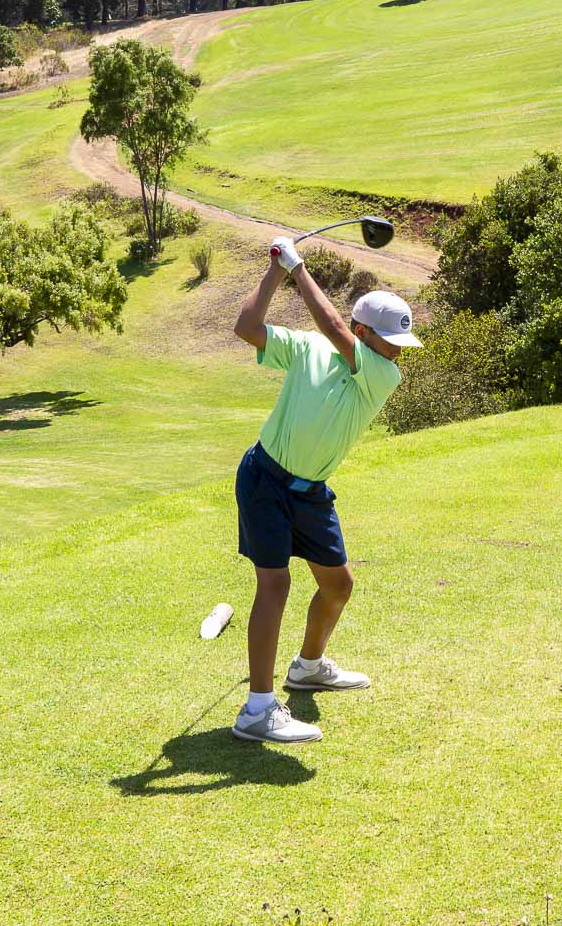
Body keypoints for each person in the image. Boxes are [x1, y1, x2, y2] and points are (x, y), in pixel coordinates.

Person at [224, 235, 421, 744]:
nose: (399, 352)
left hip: (310, 492)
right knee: (275, 586)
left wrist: (298, 268)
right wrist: (276, 270)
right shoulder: (307, 347)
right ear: (363, 332)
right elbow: (247, 328)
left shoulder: (383, 374)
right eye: (391, 341)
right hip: (265, 478)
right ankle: (257, 710)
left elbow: (332, 326)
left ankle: (308, 667)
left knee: (338, 585)